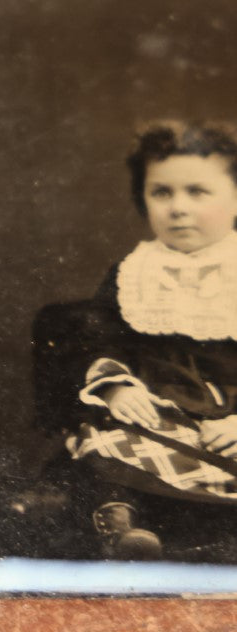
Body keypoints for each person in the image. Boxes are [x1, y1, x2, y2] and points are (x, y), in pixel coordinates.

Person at [63, 121, 237, 560]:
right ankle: (123, 531)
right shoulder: (133, 273)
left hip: (230, 429)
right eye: (162, 193)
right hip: (164, 420)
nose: (178, 208)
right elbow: (99, 339)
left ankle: (209, 549)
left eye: (198, 192)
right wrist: (116, 385)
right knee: (100, 438)